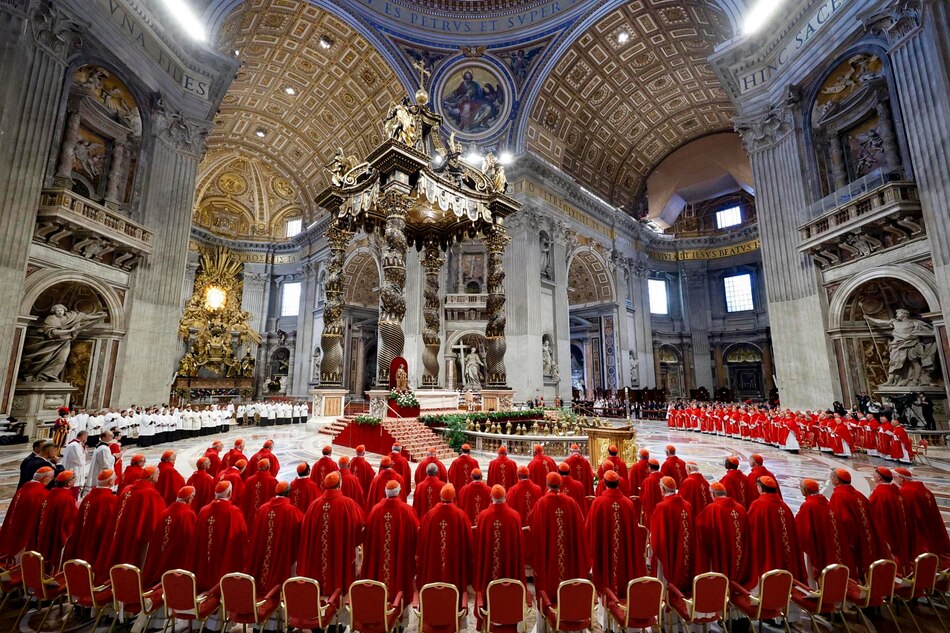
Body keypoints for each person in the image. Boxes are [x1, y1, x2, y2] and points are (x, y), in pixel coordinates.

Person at [299, 472, 365, 596]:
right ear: (339, 484)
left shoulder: (314, 505)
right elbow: (359, 528)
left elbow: (305, 531)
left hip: (317, 554)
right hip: (339, 552)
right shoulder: (348, 504)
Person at [528, 472, 589, 601]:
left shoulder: (541, 503)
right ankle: (570, 604)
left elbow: (532, 525)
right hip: (568, 553)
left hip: (550, 553)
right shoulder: (571, 502)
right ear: (560, 484)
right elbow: (580, 527)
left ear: (546, 484)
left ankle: (548, 608)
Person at [587, 470, 646, 596]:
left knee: (606, 577)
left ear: (604, 484)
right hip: (623, 552)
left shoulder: (598, 502)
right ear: (618, 483)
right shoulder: (628, 503)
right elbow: (633, 533)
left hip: (604, 550)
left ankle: (605, 611)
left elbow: (589, 530)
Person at [363, 480, 419, 604]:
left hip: (380, 557)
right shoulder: (407, 510)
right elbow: (415, 535)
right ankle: (397, 608)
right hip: (399, 557)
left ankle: (378, 599)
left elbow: (368, 536)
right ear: (399, 492)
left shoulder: (375, 510)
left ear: (385, 492)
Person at [193, 480, 249, 592]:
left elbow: (197, 538)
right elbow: (241, 538)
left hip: (205, 561)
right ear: (229, 494)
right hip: (223, 560)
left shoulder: (203, 511)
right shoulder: (234, 512)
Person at [417, 484, 472, 596]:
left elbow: (422, 538)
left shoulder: (430, 514)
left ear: (440, 496)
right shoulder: (460, 515)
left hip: (433, 558)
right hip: (453, 560)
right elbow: (468, 540)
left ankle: (431, 593)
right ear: (454, 497)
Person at [747, 476, 804, 582]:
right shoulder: (784, 506)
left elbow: (750, 528)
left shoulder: (758, 505)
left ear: (760, 488)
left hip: (766, 548)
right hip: (782, 549)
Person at [106, 466, 165, 568]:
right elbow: (159, 515)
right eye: (157, 474)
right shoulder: (150, 493)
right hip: (139, 533)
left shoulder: (127, 488)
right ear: (151, 477)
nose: (159, 476)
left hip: (124, 528)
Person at [64, 469, 117, 582]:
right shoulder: (110, 499)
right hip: (99, 539)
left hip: (85, 536)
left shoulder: (88, 497)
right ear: (110, 482)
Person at [248, 482, 303, 593]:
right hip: (282, 552)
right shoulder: (291, 511)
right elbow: (300, 533)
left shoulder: (263, 508)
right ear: (288, 493)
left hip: (263, 551)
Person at [473, 485, 525, 595]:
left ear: (491, 496)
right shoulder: (514, 516)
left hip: (489, 559)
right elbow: (518, 543)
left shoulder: (484, 515)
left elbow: (479, 542)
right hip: (508, 558)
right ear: (505, 496)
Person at [829, 468, 880, 581]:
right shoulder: (858, 494)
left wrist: (847, 541)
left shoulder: (838, 496)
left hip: (852, 539)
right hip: (865, 535)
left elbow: (843, 519)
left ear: (837, 481)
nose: (830, 478)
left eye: (831, 477)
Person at [796, 479, 848, 588]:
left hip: (814, 545)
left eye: (801, 488)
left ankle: (813, 590)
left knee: (811, 568)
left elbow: (802, 529)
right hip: (827, 542)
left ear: (805, 491)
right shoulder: (826, 502)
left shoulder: (808, 505)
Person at [695, 482, 749, 586]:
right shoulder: (740, 508)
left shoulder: (713, 508)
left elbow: (701, 527)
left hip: (722, 548)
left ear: (713, 494)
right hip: (738, 550)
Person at [142, 485, 197, 586]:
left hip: (160, 554)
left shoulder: (165, 512)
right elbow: (190, 538)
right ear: (189, 498)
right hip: (177, 556)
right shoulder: (188, 514)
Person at [650, 476, 695, 593]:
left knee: (664, 576)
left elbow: (657, 535)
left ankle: (665, 600)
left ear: (663, 489)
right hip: (684, 549)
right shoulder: (687, 505)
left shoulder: (662, 507)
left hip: (667, 550)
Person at [894, 467, 950, 557]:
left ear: (901, 478)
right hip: (931, 523)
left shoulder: (906, 491)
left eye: (895, 478)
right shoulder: (925, 490)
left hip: (918, 528)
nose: (894, 480)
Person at [868, 466, 910, 572]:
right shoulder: (895, 490)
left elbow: (872, 513)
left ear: (879, 478)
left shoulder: (879, 493)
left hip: (884, 528)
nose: (872, 475)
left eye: (873, 474)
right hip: (897, 526)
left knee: (887, 553)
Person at [35, 470, 78, 570]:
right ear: (69, 483)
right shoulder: (67, 498)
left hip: (46, 530)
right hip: (58, 533)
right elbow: (70, 520)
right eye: (74, 478)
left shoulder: (50, 494)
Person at [241, 459, 278, 524]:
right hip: (265, 513)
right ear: (268, 467)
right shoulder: (272, 481)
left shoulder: (249, 480)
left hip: (251, 513)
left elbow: (245, 498)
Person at [60, 431, 87, 498]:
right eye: (86, 437)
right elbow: (78, 460)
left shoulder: (78, 444)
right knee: (72, 492)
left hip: (75, 469)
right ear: (83, 436)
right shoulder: (74, 445)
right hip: (73, 469)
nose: (87, 438)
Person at [640, 458, 663, 525]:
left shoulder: (648, 481)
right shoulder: (664, 477)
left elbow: (644, 497)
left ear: (649, 467)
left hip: (651, 509)